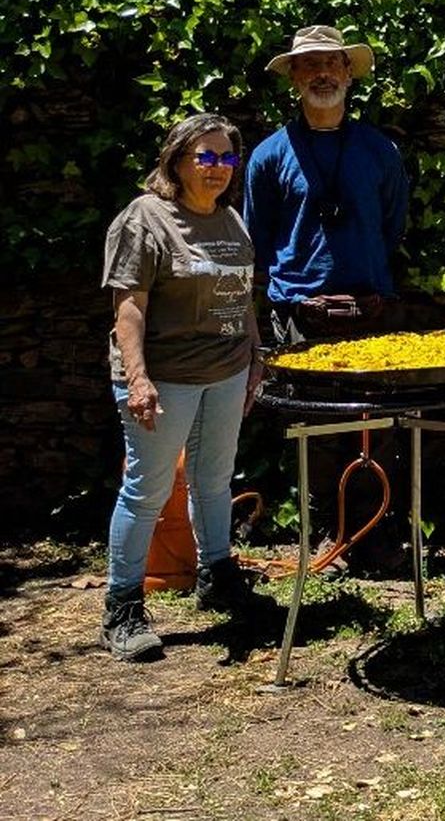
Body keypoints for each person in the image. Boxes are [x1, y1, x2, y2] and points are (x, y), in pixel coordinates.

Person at [100, 113, 268, 660]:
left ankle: (217, 575)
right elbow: (129, 306)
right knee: (147, 490)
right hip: (164, 377)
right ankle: (122, 608)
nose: (218, 167)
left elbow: (242, 297)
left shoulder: (231, 220)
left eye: (227, 157)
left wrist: (255, 357)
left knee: (214, 480)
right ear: (177, 160)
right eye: (206, 156)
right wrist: (137, 378)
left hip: (226, 372)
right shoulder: (145, 218)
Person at [245, 25, 409, 343]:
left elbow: (392, 225)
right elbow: (259, 236)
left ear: (348, 74)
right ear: (293, 76)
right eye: (310, 63)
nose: (323, 73)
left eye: (332, 62)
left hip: (370, 308)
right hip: (297, 312)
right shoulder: (268, 155)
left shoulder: (380, 150)